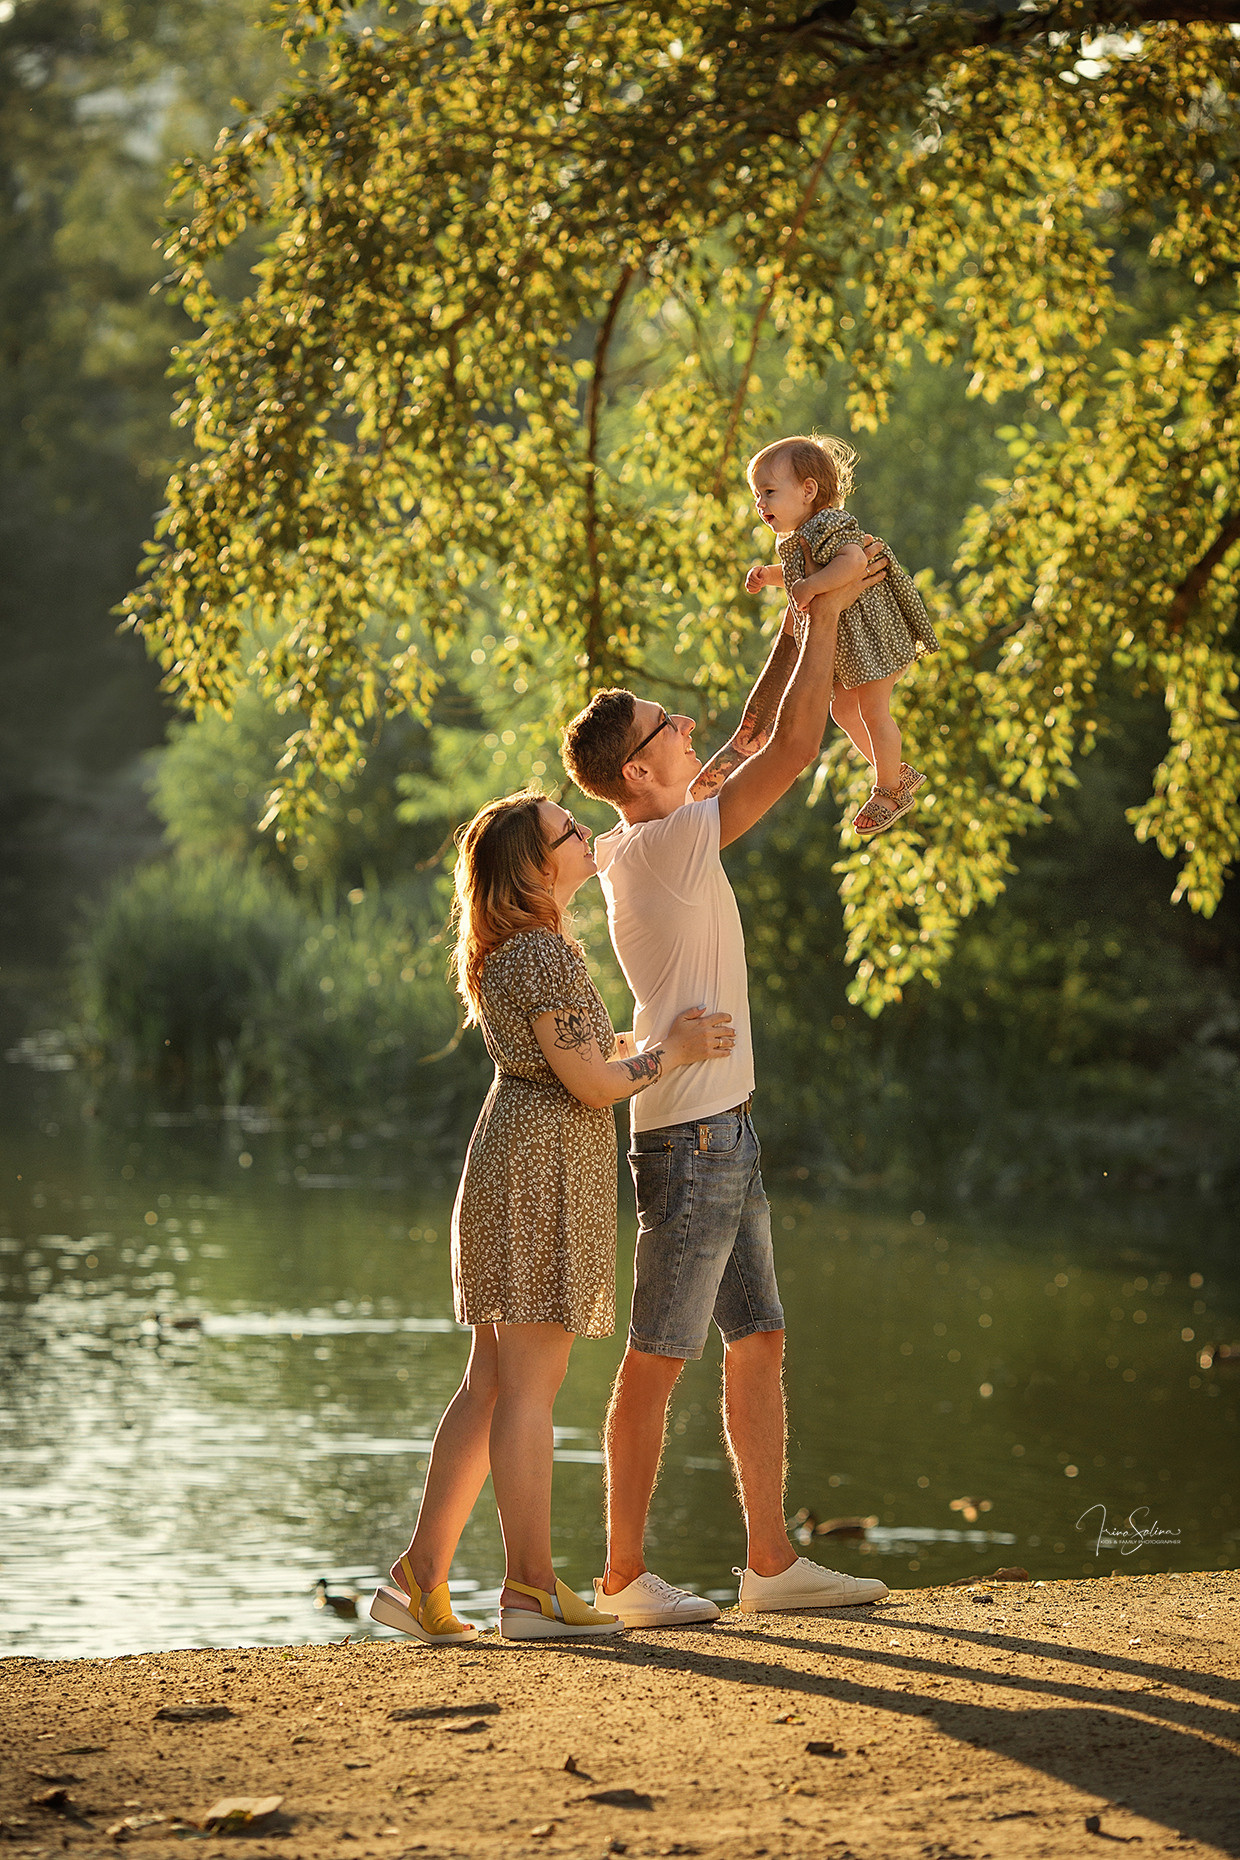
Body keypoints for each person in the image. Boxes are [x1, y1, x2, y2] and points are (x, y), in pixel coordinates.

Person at [560, 551, 892, 1626]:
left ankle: (770, 1564)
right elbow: (790, 748)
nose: (687, 727)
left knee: (760, 1340)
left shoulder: (650, 833)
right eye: (669, 726)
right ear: (639, 772)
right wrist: (830, 609)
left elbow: (750, 729)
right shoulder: (666, 846)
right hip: (691, 1139)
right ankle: (622, 1580)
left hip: (723, 1131)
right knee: (658, 1356)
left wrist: (798, 623)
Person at [370, 791, 735, 1643]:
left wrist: (634, 1045)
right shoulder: (542, 953)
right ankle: (529, 1590)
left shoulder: (519, 950)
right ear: (535, 868)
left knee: (493, 1382)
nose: (585, 833)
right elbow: (594, 1086)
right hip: (538, 1174)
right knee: (529, 1386)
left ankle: (421, 1576)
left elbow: (572, 1059)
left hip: (517, 1162)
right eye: (568, 829)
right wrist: (673, 1053)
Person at [745, 433, 939, 838]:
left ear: (808, 490)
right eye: (756, 495)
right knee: (844, 711)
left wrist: (811, 588)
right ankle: (895, 772)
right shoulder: (798, 537)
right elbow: (801, 575)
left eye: (769, 492)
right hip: (855, 646)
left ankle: (888, 790)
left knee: (873, 710)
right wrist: (768, 577)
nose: (760, 503)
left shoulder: (828, 524)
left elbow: (852, 563)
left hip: (874, 637)